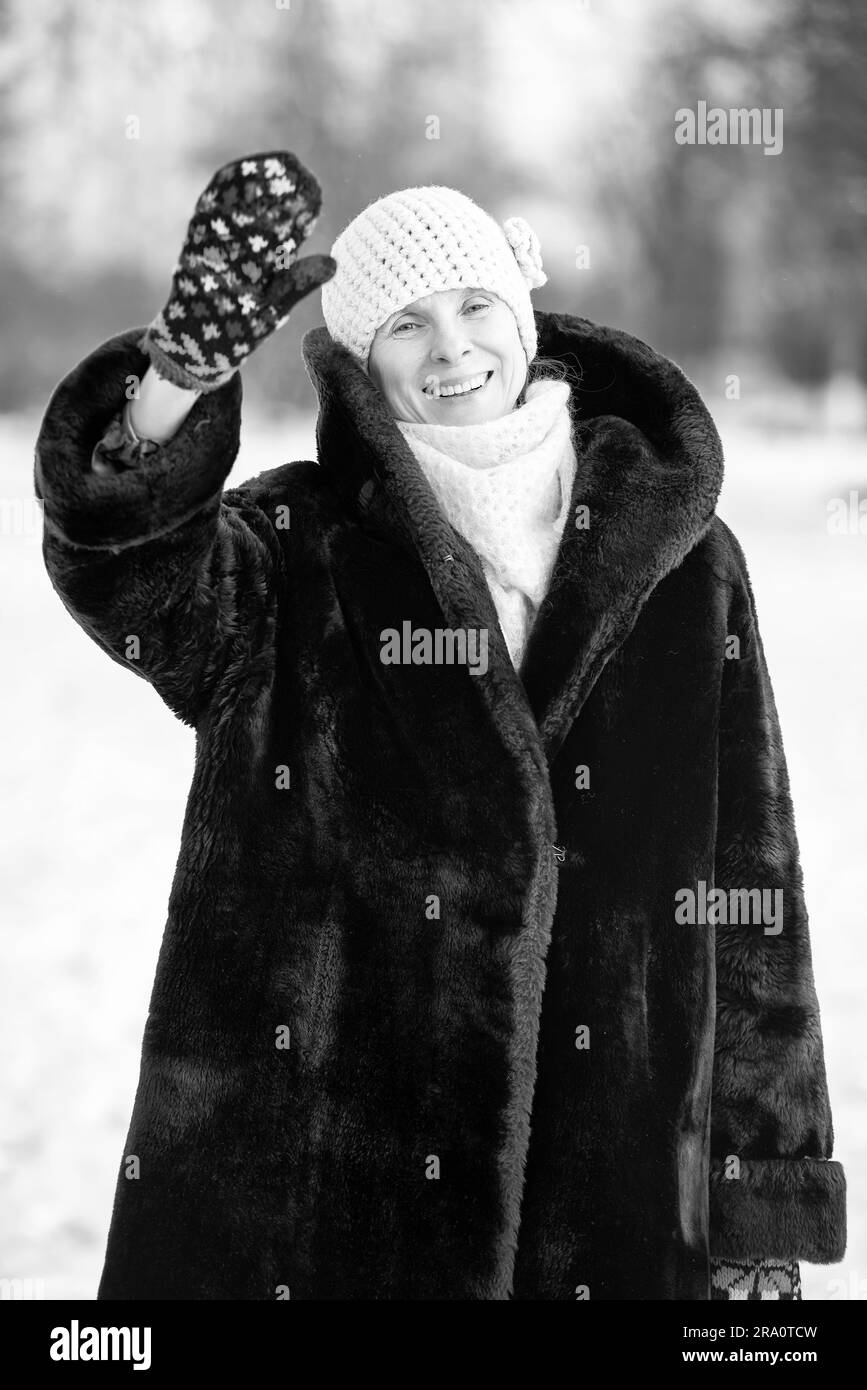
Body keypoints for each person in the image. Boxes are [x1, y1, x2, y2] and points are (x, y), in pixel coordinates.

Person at [34, 151, 846, 1301]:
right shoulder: (292, 550)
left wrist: (760, 1198)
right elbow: (128, 585)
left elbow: (754, 889)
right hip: (324, 1199)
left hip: (612, 1188)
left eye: (474, 307)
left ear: (523, 314)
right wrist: (172, 385)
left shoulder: (686, 564)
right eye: (407, 325)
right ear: (362, 362)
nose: (455, 348)